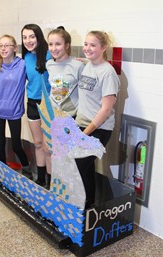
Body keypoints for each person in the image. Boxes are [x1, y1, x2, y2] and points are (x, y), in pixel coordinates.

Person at [75, 31, 121, 208]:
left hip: (99, 129)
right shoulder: (89, 66)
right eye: (86, 44)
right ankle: (86, 205)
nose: (87, 48)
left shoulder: (108, 73)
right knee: (82, 166)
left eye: (93, 45)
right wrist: (86, 61)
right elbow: (93, 69)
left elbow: (106, 109)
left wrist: (85, 133)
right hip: (82, 124)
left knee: (82, 163)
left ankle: (88, 206)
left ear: (103, 48)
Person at [0, 34, 32, 179]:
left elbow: (38, 69)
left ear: (15, 48)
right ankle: (2, 172)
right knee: (0, 143)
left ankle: (27, 169)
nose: (3, 48)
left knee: (16, 145)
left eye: (7, 45)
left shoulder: (22, 65)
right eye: (0, 46)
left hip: (15, 112)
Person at [21, 24, 51, 188]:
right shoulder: (25, 58)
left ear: (39, 37)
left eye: (32, 36)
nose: (28, 40)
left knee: (48, 146)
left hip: (48, 106)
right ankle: (40, 180)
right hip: (32, 103)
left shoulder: (50, 54)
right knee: (38, 143)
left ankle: (51, 181)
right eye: (25, 37)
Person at [46, 27, 84, 117]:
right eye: (50, 44)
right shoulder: (49, 64)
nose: (53, 48)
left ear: (67, 45)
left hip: (71, 116)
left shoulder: (77, 65)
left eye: (58, 44)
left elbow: (84, 94)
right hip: (53, 114)